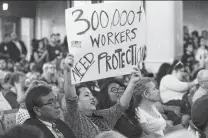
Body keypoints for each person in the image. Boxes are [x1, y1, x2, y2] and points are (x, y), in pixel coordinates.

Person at [63, 53, 141, 138]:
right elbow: (70, 98)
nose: (92, 97)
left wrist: (132, 82)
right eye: (86, 95)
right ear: (77, 101)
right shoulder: (75, 118)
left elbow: (122, 105)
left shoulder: (102, 116)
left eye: (91, 94)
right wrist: (68, 71)